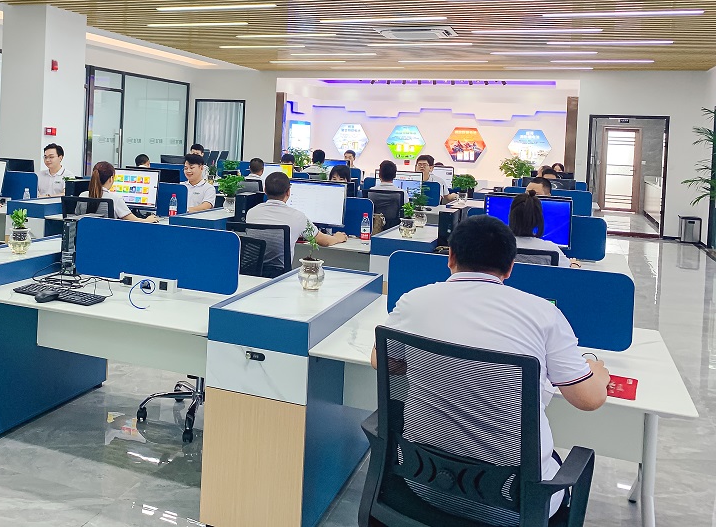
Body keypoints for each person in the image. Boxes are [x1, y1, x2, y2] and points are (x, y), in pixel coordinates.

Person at [372, 216, 609, 519]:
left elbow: (381, 361)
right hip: (514, 505)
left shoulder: (413, 302)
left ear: (450, 257)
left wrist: (430, 362)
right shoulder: (543, 315)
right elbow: (589, 399)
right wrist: (596, 372)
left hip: (422, 482)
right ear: (510, 267)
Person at [246, 172, 347, 266]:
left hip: (250, 273)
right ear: (288, 192)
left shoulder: (251, 213)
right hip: (279, 275)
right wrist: (338, 238)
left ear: (265, 190)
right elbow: (324, 241)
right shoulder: (297, 217)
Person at [509, 191, 573, 267]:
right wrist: (574, 264)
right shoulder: (550, 249)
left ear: (511, 217)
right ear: (538, 220)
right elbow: (569, 270)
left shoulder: (500, 246)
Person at [80, 161, 159, 222]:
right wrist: (148, 220)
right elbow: (135, 221)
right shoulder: (115, 199)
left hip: (83, 237)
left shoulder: (82, 196)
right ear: (111, 179)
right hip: (107, 237)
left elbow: (77, 217)